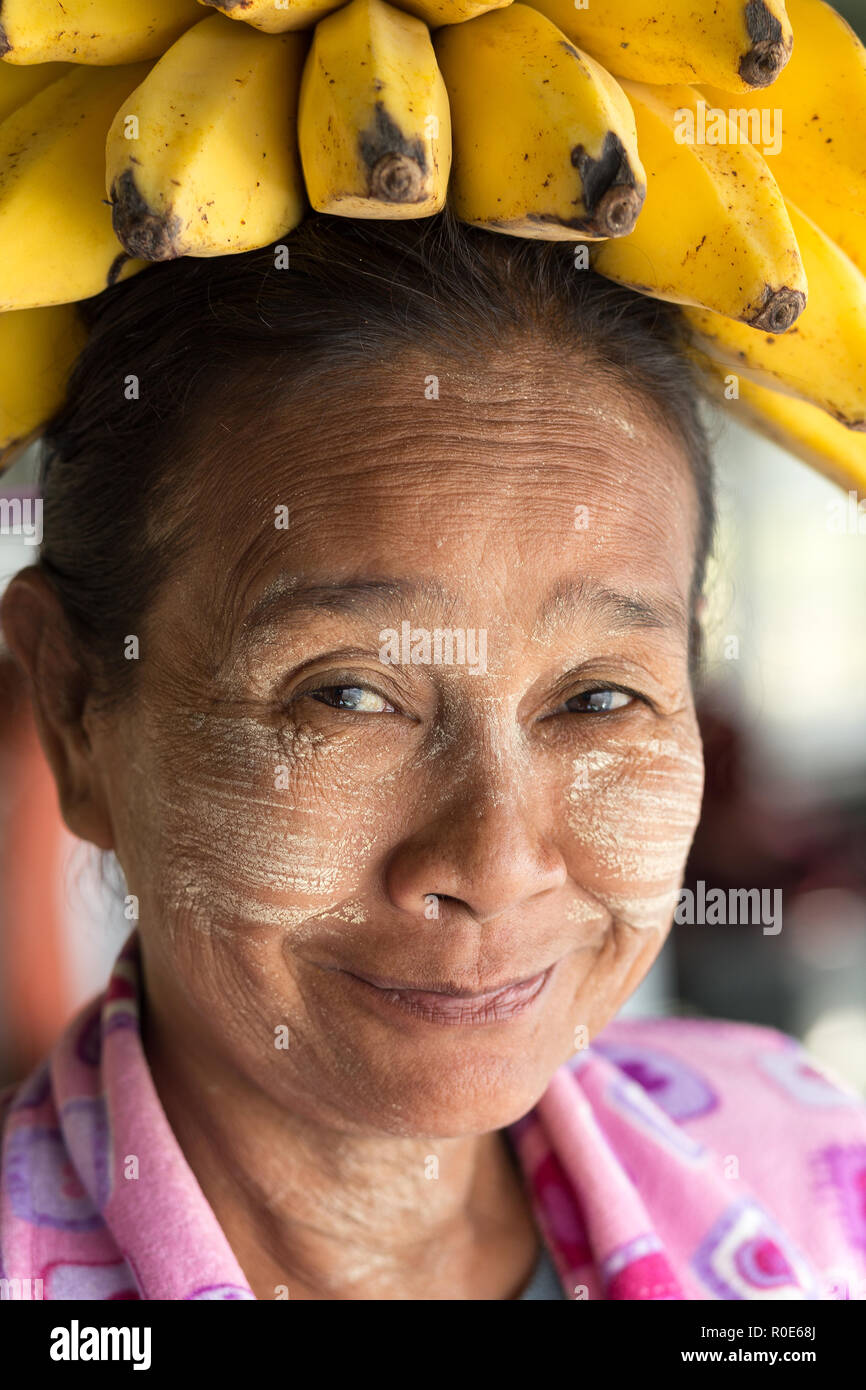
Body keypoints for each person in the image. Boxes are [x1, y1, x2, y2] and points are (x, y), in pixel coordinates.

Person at [1, 210, 864, 1302]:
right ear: (76, 708)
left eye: (599, 696)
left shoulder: (805, 1160)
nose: (495, 861)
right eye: (349, 694)